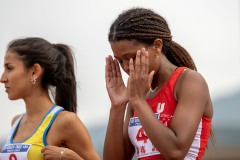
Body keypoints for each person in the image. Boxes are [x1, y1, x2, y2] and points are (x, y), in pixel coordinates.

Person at [104, 7, 213, 160]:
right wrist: (117, 107)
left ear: (157, 46)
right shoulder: (138, 95)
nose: (127, 67)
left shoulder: (189, 82)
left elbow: (176, 152)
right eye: (121, 61)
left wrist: (139, 102)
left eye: (132, 57)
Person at [0, 37, 100, 160]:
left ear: (35, 71)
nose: (2, 78)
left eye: (9, 68)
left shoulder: (66, 121)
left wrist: (72, 157)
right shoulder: (15, 123)